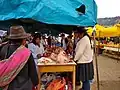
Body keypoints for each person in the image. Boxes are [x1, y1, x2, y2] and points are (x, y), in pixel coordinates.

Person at [0, 26, 38, 90]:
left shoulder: (4, 49)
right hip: (24, 86)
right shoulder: (26, 52)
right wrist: (36, 83)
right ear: (23, 40)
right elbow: (33, 73)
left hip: (7, 86)